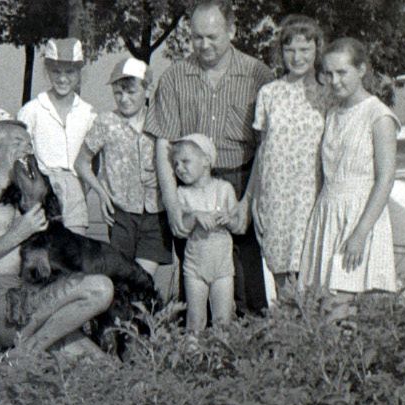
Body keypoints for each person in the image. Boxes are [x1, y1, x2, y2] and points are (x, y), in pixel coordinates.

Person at [144, 0, 274, 315]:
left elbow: (266, 146)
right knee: (196, 289)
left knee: (246, 284)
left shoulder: (258, 75)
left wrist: (247, 203)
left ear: (232, 30)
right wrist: (173, 204)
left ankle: (248, 353)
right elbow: (163, 145)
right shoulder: (175, 77)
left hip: (241, 181)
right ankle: (198, 355)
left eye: (213, 36)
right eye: (197, 37)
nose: (204, 45)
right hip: (190, 186)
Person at [0, 119, 113, 356]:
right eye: (17, 142)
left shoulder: (36, 196)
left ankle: (13, 359)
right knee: (100, 288)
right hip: (1, 302)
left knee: (99, 364)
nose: (27, 149)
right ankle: (24, 354)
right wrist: (18, 233)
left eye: (29, 144)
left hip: (40, 296)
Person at [298, 38, 400, 308]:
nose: (334, 81)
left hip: (359, 217)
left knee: (339, 307)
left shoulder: (379, 116)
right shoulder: (332, 114)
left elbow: (386, 179)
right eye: (328, 74)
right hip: (328, 214)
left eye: (342, 72)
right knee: (320, 305)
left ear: (362, 70)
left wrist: (360, 233)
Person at [74, 57, 173, 298]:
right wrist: (101, 191)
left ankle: (147, 332)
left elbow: (180, 158)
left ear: (147, 90)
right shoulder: (106, 122)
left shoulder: (160, 121)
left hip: (155, 215)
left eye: (131, 92)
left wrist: (164, 177)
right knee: (121, 281)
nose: (124, 99)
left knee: (143, 280)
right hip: (121, 215)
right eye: (118, 93)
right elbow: (82, 162)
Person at [248, 14, 328, 296]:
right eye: (290, 49)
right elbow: (263, 147)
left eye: (305, 49)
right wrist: (256, 196)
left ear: (317, 49)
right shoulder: (269, 93)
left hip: (311, 194)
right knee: (281, 273)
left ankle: (311, 336)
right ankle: (287, 335)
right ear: (280, 52)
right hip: (276, 193)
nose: (297, 57)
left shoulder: (327, 93)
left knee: (310, 274)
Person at [17, 38, 96, 235]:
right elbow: (19, 156)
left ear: (79, 73)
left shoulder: (88, 113)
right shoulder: (32, 110)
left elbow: (93, 160)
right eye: (56, 72)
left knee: (75, 253)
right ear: (47, 71)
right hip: (42, 187)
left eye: (69, 72)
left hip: (74, 187)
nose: (62, 79)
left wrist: (81, 189)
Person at [172, 134, 240, 331]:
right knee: (195, 320)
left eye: (185, 161)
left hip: (222, 268)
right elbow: (180, 230)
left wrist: (228, 220)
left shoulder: (224, 189)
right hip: (195, 268)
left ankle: (219, 361)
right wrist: (193, 216)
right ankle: (192, 360)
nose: (179, 168)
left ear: (206, 161)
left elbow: (237, 224)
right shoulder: (182, 194)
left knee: (223, 320)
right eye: (175, 164)